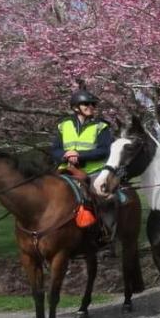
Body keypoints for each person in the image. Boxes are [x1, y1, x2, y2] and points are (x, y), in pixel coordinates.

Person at [49, 89, 116, 247]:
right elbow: (55, 149)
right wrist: (66, 155)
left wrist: (79, 155)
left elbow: (105, 150)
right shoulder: (63, 125)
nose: (91, 106)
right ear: (75, 107)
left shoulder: (101, 126)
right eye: (86, 103)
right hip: (66, 169)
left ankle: (107, 235)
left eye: (93, 104)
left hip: (94, 172)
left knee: (105, 198)